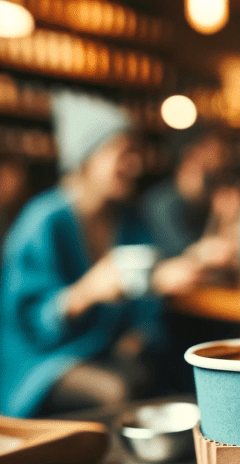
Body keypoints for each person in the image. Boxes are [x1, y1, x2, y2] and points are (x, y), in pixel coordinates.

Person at [0, 91, 202, 418]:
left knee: (162, 374)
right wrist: (87, 291)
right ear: (87, 158)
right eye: (124, 154)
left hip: (102, 352)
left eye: (137, 154)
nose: (136, 165)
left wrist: (142, 330)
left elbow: (144, 303)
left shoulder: (128, 219)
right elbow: (27, 323)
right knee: (118, 390)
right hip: (39, 362)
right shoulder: (44, 221)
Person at [142, 129, 235, 260]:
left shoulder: (216, 198)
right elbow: (180, 256)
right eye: (215, 148)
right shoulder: (159, 203)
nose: (225, 154)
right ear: (192, 152)